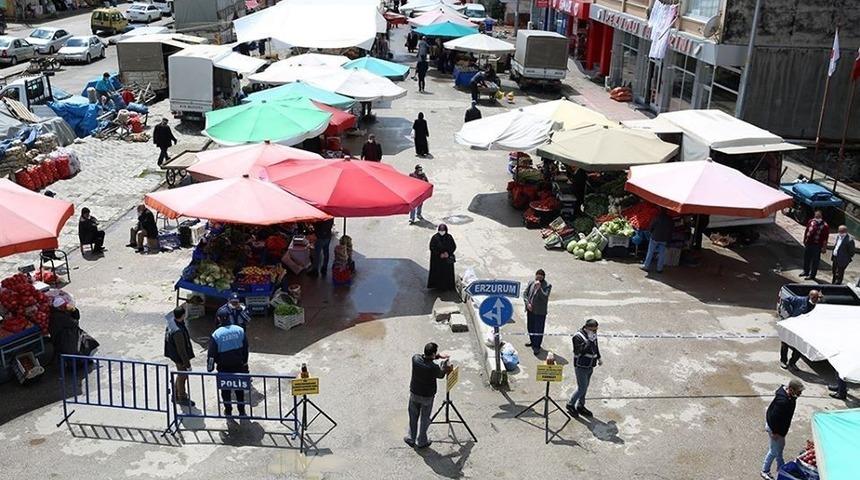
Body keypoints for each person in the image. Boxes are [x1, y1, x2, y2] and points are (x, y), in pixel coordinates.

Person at [404, 342, 452, 449]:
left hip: (414, 393)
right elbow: (440, 374)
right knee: (425, 418)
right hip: (427, 397)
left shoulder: (415, 359)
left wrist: (437, 356)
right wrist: (444, 365)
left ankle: (411, 438)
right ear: (433, 354)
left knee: (413, 416)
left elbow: (423, 358)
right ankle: (421, 441)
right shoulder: (433, 368)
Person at [208, 311, 250, 417]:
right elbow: (246, 348)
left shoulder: (216, 334)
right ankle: (241, 410)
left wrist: (210, 367)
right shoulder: (239, 330)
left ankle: (228, 410)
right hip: (239, 366)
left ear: (219, 318)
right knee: (239, 390)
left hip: (223, 368)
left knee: (225, 391)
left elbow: (211, 354)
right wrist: (245, 362)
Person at [760, 379, 804, 480]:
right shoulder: (783, 401)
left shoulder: (790, 397)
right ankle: (765, 471)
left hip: (780, 430)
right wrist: (775, 432)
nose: (800, 394)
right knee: (773, 451)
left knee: (780, 447)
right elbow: (773, 417)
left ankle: (781, 466)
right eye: (798, 391)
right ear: (791, 389)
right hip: (775, 430)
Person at [566, 319, 602, 417]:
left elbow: (596, 346)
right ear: (586, 328)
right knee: (582, 388)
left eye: (596, 330)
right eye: (593, 330)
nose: (595, 332)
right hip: (581, 366)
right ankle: (570, 404)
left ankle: (580, 406)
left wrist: (599, 357)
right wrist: (589, 341)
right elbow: (579, 352)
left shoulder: (593, 334)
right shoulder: (577, 337)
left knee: (585, 388)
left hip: (590, 365)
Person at [778, 290, 821, 369]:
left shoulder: (818, 305)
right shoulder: (800, 300)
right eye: (815, 297)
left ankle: (792, 362)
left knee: (800, 347)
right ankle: (783, 361)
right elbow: (786, 300)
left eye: (817, 298)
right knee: (785, 343)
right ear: (810, 296)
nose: (816, 299)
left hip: (803, 329)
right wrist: (790, 313)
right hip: (792, 325)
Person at [164, 307, 195, 407]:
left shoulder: (171, 322)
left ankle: (176, 392)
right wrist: (188, 365)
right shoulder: (178, 332)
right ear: (182, 316)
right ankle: (181, 397)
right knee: (183, 376)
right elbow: (182, 351)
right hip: (179, 358)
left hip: (173, 354)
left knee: (180, 375)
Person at [523, 269, 552, 355]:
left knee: (538, 329)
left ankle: (537, 346)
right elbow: (525, 294)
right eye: (537, 275)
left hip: (540, 312)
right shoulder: (531, 282)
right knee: (530, 327)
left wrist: (539, 289)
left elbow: (545, 297)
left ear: (543, 277)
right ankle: (532, 341)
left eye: (541, 275)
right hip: (530, 310)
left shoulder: (547, 285)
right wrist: (527, 303)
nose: (539, 277)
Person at [640, 208, 674, 273]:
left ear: (660, 211)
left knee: (650, 252)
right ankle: (659, 269)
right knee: (662, 254)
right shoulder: (670, 220)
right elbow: (671, 230)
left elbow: (651, 227)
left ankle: (646, 266)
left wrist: (651, 232)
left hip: (655, 237)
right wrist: (669, 240)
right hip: (664, 239)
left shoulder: (657, 218)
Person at [801, 210, 829, 280]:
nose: (816, 217)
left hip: (817, 245)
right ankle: (805, 271)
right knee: (806, 258)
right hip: (809, 243)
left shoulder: (825, 226)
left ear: (821, 216)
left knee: (815, 261)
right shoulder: (811, 221)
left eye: (818, 216)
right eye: (815, 216)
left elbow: (825, 238)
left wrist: (824, 247)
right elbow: (807, 231)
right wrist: (805, 240)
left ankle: (812, 275)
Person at [427, 224, 456, 290]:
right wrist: (439, 254)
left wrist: (448, 253)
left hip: (447, 260)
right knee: (438, 273)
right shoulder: (435, 237)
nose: (442, 232)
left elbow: (453, 246)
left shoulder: (449, 237)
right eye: (440, 231)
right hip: (437, 260)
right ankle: (437, 286)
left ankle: (448, 286)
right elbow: (432, 247)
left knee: (447, 273)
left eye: (443, 231)